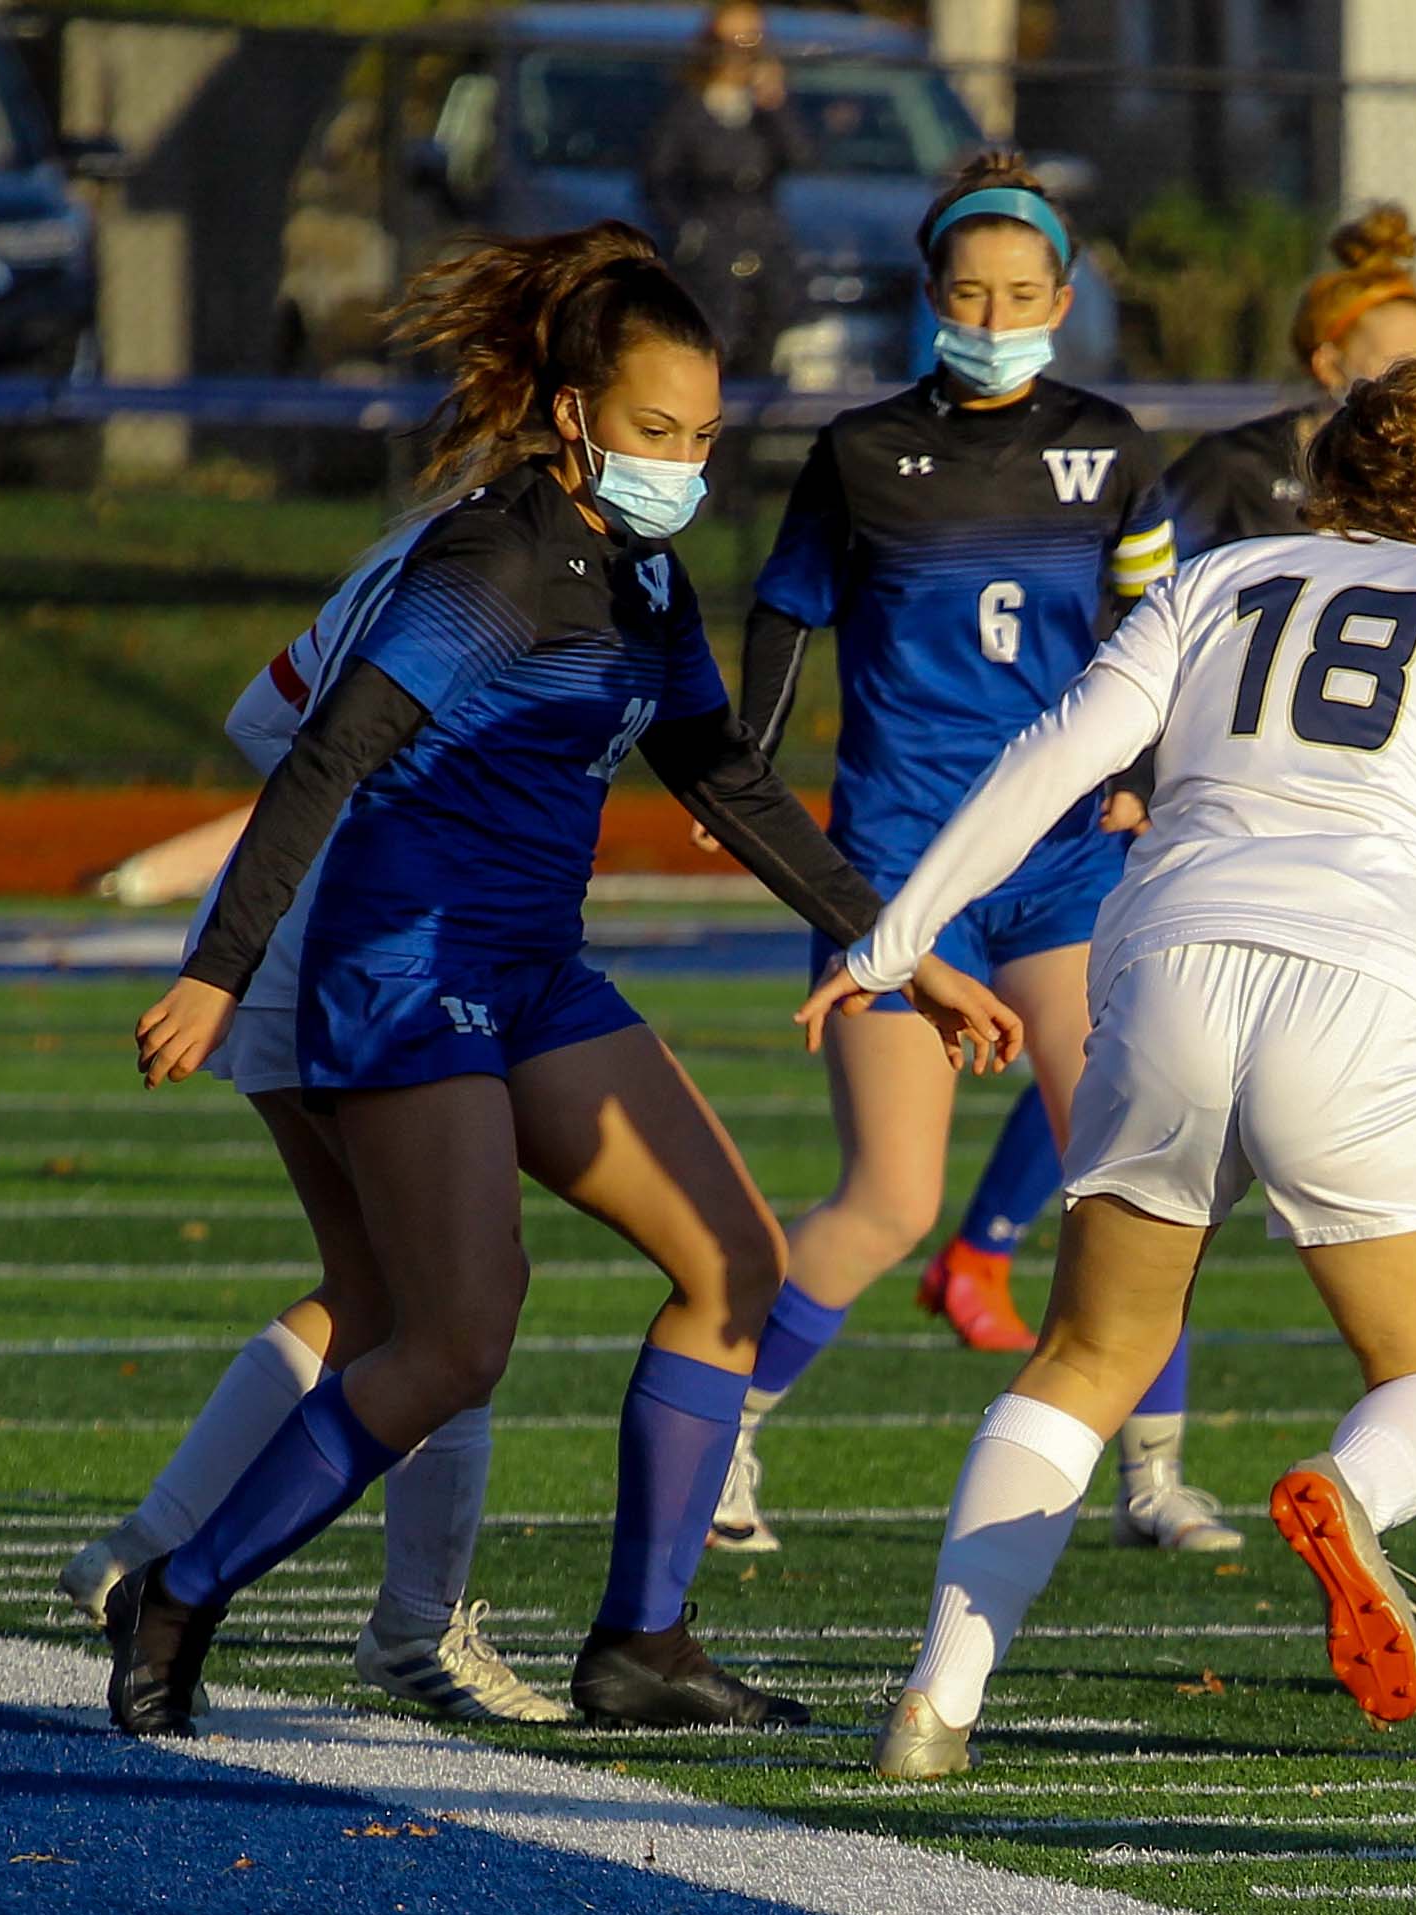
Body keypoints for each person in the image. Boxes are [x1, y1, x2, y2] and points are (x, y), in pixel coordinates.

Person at [105, 221, 1016, 1740]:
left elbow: (725, 783)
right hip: (408, 967)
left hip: (532, 969)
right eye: (658, 431)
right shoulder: (494, 554)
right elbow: (330, 755)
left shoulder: (643, 581)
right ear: (579, 415)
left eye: (708, 435)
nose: (687, 461)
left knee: (735, 1268)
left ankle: (643, 1644)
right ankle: (179, 1591)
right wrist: (216, 973)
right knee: (454, 1338)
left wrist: (898, 948)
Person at [801, 353, 1416, 1780]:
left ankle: (937, 1700)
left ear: (1333, 474)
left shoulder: (1216, 580)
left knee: (1087, 1355)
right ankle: (1348, 1487)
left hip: (1167, 968)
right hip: (1363, 987)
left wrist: (894, 938)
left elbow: (1049, 756)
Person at [917, 205, 1416, 1352]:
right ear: (1327, 367)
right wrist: (1145, 761)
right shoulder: (1242, 475)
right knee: (1110, 1031)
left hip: (1351, 812)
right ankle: (988, 1237)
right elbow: (1152, 604)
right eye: (1395, 366)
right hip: (1231, 803)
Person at [718, 151, 1230, 1558]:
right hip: (894, 867)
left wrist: (1143, 779)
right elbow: (783, 616)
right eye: (966, 290)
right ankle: (726, 1440)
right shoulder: (861, 452)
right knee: (892, 1196)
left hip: (1065, 870)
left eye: (1020, 292)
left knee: (1127, 1165)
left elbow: (1166, 634)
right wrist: (743, 770)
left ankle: (1155, 1473)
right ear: (928, 297)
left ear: (1062, 297)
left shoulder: (1112, 450)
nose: (992, 313)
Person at [58, 541, 564, 1724]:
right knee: (456, 1286)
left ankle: (148, 1547)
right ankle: (413, 1622)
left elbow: (260, 716)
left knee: (380, 1286)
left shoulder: (417, 545)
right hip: (362, 927)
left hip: (288, 914)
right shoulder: (525, 559)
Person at [643, 1, 802, 379]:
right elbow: (657, 178)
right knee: (713, 350)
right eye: (728, 41)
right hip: (710, 257)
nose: (739, 54)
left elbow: (798, 157)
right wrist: (689, 233)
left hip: (763, 250)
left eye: (750, 41)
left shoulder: (763, 112)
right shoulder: (688, 110)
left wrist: (773, 105)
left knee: (764, 352)